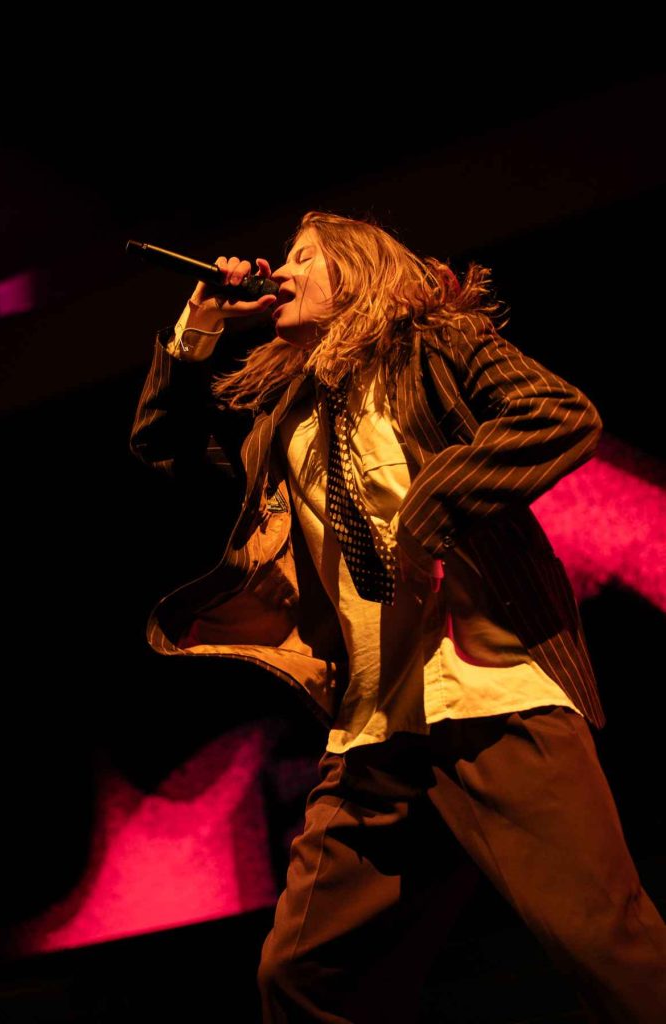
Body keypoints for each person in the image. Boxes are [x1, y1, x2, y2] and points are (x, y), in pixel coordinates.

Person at [129, 210, 666, 1022]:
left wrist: (433, 505)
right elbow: (165, 445)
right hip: (373, 728)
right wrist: (199, 321)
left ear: (357, 272)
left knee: (608, 945)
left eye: (302, 258)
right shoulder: (286, 419)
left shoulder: (435, 348)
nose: (279, 269)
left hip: (491, 694)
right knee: (304, 978)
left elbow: (559, 414)